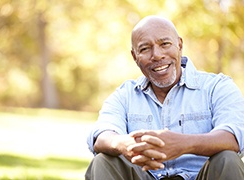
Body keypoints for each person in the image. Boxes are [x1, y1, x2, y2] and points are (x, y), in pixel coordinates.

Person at [85, 15, 244, 180]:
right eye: (145, 48)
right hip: (145, 176)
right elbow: (101, 136)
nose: (157, 55)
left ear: (179, 45)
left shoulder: (217, 87)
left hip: (200, 176)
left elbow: (233, 137)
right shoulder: (125, 95)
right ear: (135, 56)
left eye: (165, 44)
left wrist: (183, 144)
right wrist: (125, 144)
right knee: (103, 161)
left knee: (228, 159)